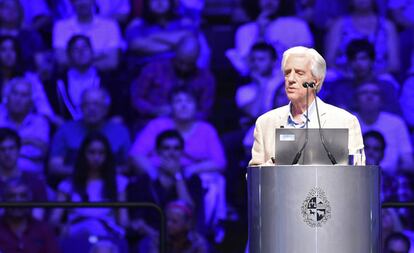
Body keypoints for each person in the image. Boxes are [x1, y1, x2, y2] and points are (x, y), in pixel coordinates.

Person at [249, 46, 365, 166]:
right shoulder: (265, 122)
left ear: (315, 81)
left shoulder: (345, 121)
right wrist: (276, 164)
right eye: (287, 73)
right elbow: (254, 175)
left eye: (299, 73)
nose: (291, 79)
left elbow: (358, 172)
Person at [0, 178, 61, 253]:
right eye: (11, 196)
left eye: (23, 196)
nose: (17, 201)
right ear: (3, 200)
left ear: (30, 200)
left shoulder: (44, 230)